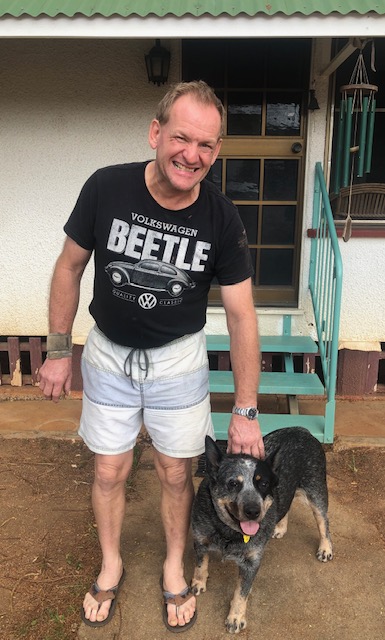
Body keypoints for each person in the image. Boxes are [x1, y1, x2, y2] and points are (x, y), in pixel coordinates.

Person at [38, 80, 264, 632]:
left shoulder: (221, 218)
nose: (192, 154)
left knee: (173, 472)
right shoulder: (106, 189)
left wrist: (246, 407)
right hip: (109, 357)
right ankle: (111, 564)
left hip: (177, 362)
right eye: (182, 137)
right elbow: (69, 267)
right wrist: (57, 350)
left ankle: (172, 566)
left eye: (207, 145)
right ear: (156, 132)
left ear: (216, 152)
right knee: (110, 469)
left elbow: (241, 315)